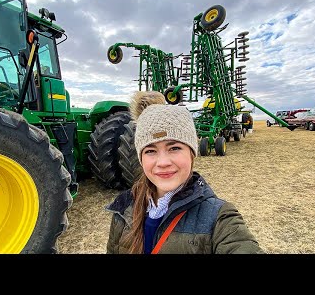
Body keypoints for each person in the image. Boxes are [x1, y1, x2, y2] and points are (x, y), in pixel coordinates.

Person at [105, 91, 264, 254]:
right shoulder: (124, 208)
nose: (163, 162)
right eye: (150, 151)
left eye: (174, 148)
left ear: (192, 153)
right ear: (140, 158)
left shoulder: (219, 218)